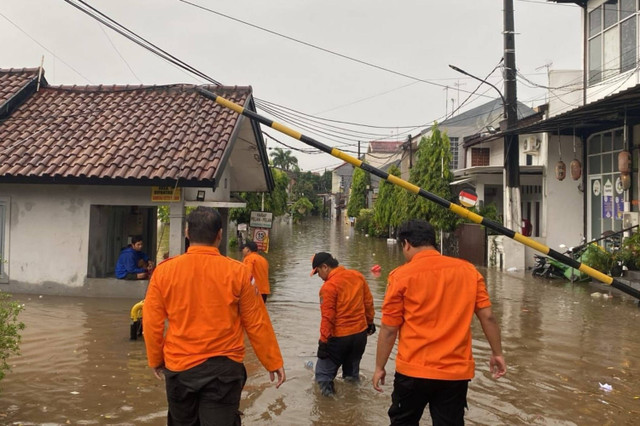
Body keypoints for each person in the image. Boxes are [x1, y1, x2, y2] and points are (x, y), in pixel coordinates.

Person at [143, 207, 286, 425]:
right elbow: (256, 322)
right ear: (219, 235)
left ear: (187, 233)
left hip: (180, 368)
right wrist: (272, 361)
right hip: (224, 370)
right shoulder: (239, 273)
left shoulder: (164, 272)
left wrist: (155, 359)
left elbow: (152, 321)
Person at [373, 219, 506, 425]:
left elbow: (389, 329)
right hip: (454, 374)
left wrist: (379, 366)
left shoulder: (401, 276)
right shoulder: (469, 271)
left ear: (406, 244)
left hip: (412, 371)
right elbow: (488, 317)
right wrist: (497, 353)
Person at [310, 252, 375, 396]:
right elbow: (368, 303)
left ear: (325, 267)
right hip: (359, 336)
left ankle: (329, 410)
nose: (319, 276)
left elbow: (328, 318)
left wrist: (323, 343)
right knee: (352, 377)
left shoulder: (328, 287)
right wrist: (370, 323)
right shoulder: (357, 276)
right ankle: (352, 403)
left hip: (339, 338)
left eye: (318, 272)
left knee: (322, 377)